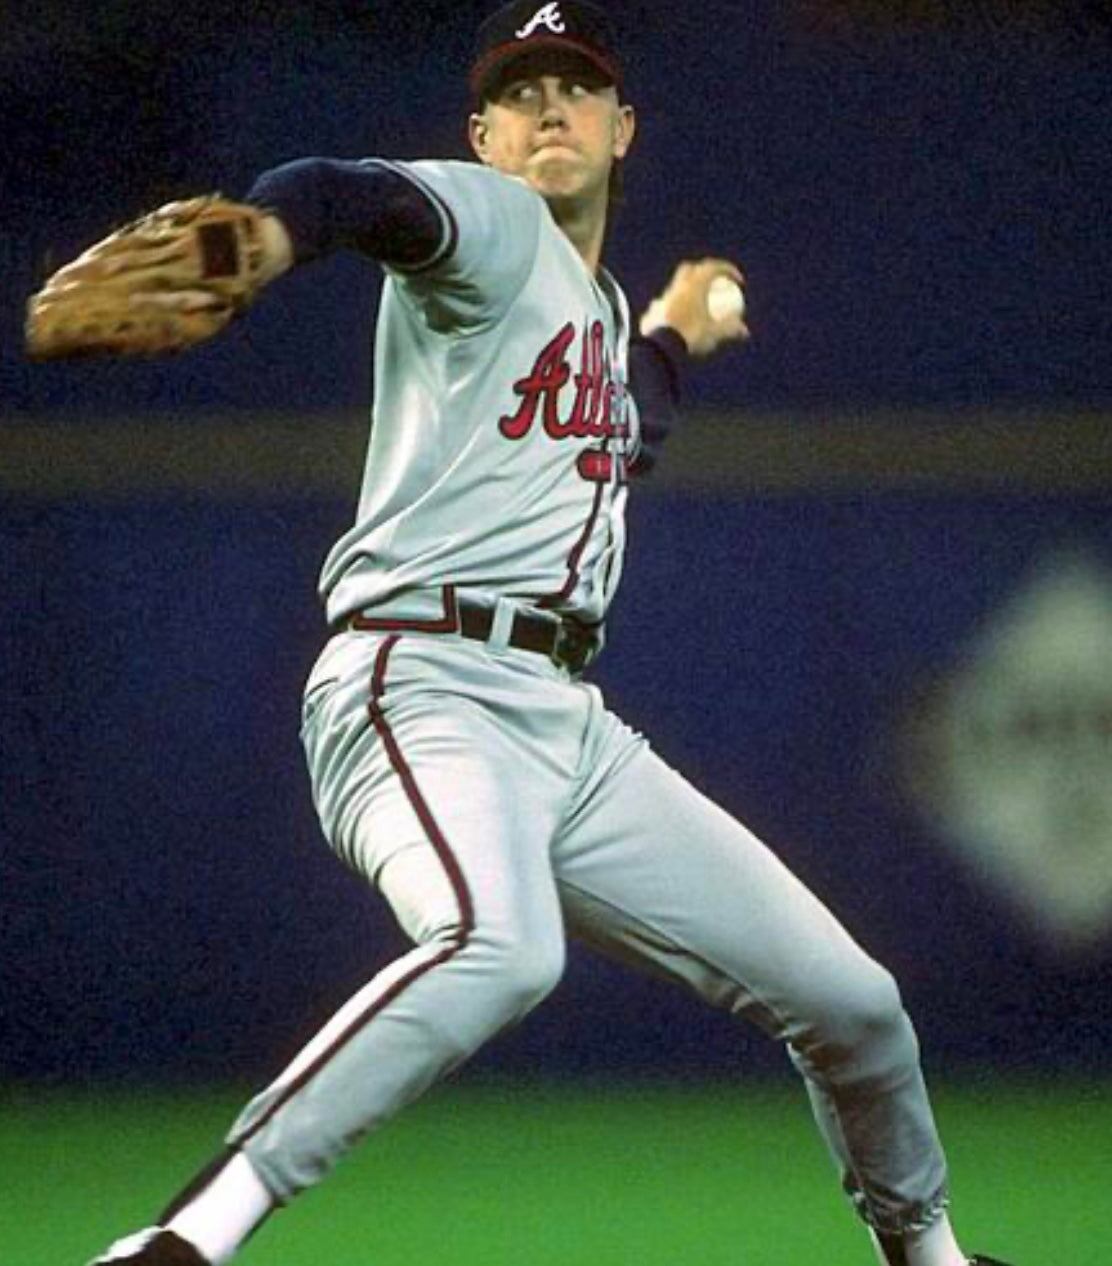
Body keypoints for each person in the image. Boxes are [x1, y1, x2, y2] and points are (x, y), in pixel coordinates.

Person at [85, 4, 1012, 1266]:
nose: (547, 111)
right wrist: (268, 231)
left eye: (574, 89)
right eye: (518, 96)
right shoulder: (487, 218)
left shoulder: (597, 306)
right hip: (417, 682)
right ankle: (184, 1239)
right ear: (482, 138)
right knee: (500, 949)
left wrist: (673, 332)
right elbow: (347, 193)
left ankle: (929, 1256)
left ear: (623, 129)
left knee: (854, 1005)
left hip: (564, 728)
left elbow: (617, 435)